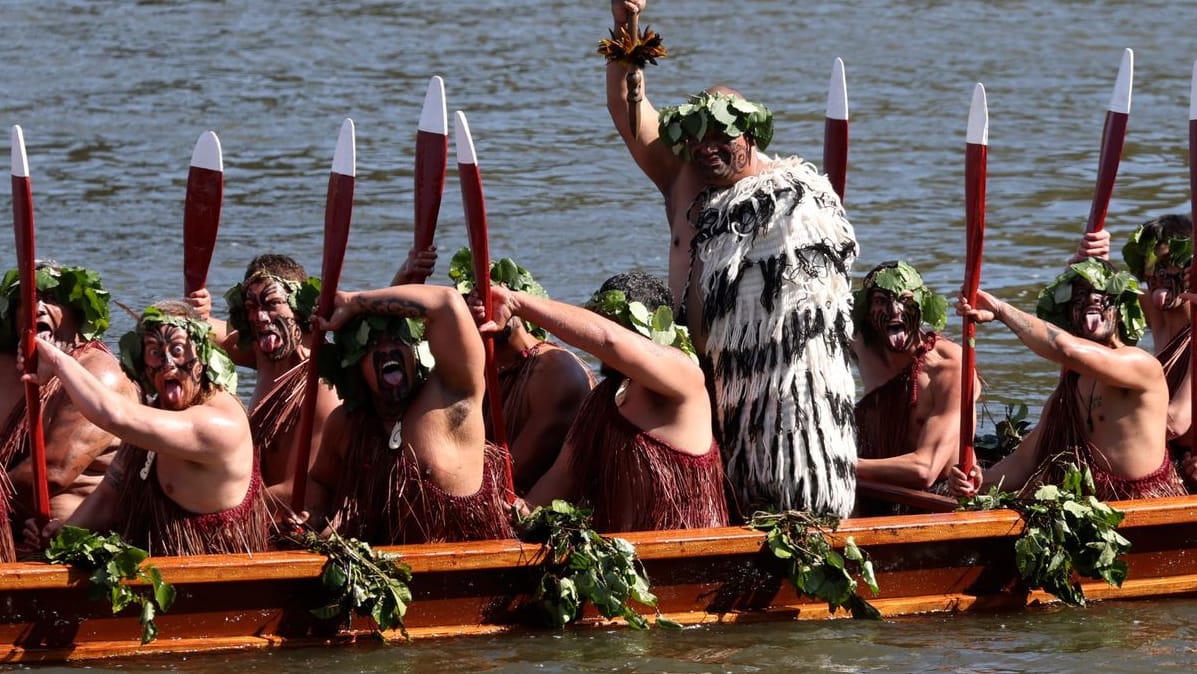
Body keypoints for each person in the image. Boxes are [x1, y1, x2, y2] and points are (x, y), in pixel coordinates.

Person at [605, 0, 859, 517]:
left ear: (752, 135)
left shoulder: (795, 193)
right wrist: (624, 22)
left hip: (769, 393)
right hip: (689, 384)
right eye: (696, 135)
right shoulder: (682, 183)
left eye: (721, 135)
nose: (705, 147)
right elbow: (628, 110)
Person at [24, 301, 270, 555]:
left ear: (203, 356)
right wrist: (61, 538)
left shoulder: (219, 425)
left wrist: (56, 360)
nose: (168, 364)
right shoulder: (155, 410)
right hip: (152, 562)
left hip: (212, 572)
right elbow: (110, 496)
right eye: (154, 352)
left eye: (178, 350)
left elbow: (113, 416)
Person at [496, 271, 727, 532]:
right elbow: (564, 476)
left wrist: (515, 303)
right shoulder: (599, 400)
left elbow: (609, 340)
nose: (602, 352)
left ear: (650, 331)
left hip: (686, 552)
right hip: (617, 557)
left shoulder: (684, 380)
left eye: (615, 324)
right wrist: (520, 514)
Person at [950, 259, 1187, 501]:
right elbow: (1024, 461)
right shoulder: (1067, 392)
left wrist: (1000, 310)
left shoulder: (1141, 365)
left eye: (1101, 294)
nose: (1091, 300)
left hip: (1143, 503)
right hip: (1090, 507)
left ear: (1119, 308)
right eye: (1080, 296)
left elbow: (1066, 350)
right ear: (1068, 317)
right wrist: (980, 482)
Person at [303, 283, 515, 544]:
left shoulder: (451, 395)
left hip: (465, 561)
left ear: (415, 352)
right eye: (370, 345)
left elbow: (447, 303)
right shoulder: (347, 424)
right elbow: (320, 482)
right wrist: (314, 516)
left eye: (397, 338)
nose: (386, 349)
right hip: (385, 567)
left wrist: (354, 302)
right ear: (356, 367)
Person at [441, 248, 595, 494]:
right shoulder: (468, 369)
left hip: (532, 512)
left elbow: (511, 476)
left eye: (492, 297)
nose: (483, 307)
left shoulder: (556, 372)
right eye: (471, 298)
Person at [0, 263, 137, 528]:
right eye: (26, 301)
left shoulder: (98, 374)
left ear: (76, 314)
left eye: (51, 299)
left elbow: (53, 473)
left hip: (67, 540)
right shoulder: (5, 367)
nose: (36, 308)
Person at [218, 254, 341, 515]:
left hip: (295, 524)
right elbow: (200, 334)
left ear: (302, 308)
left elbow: (304, 492)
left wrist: (217, 513)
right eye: (251, 307)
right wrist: (197, 307)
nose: (260, 317)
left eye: (273, 303)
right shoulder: (266, 355)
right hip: (257, 508)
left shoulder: (322, 386)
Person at [851, 261, 977, 513]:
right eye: (881, 301)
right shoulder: (861, 344)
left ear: (922, 306)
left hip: (932, 496)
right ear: (866, 311)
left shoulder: (949, 366)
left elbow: (925, 469)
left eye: (905, 300)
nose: (895, 310)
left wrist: (836, 463)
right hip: (873, 485)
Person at [1120, 215, 1197, 488]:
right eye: (1150, 267)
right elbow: (1090, 302)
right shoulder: (1149, 307)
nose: (1158, 276)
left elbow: (1176, 421)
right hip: (1167, 450)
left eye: (1167, 265)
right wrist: (1085, 259)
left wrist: (1109, 438)